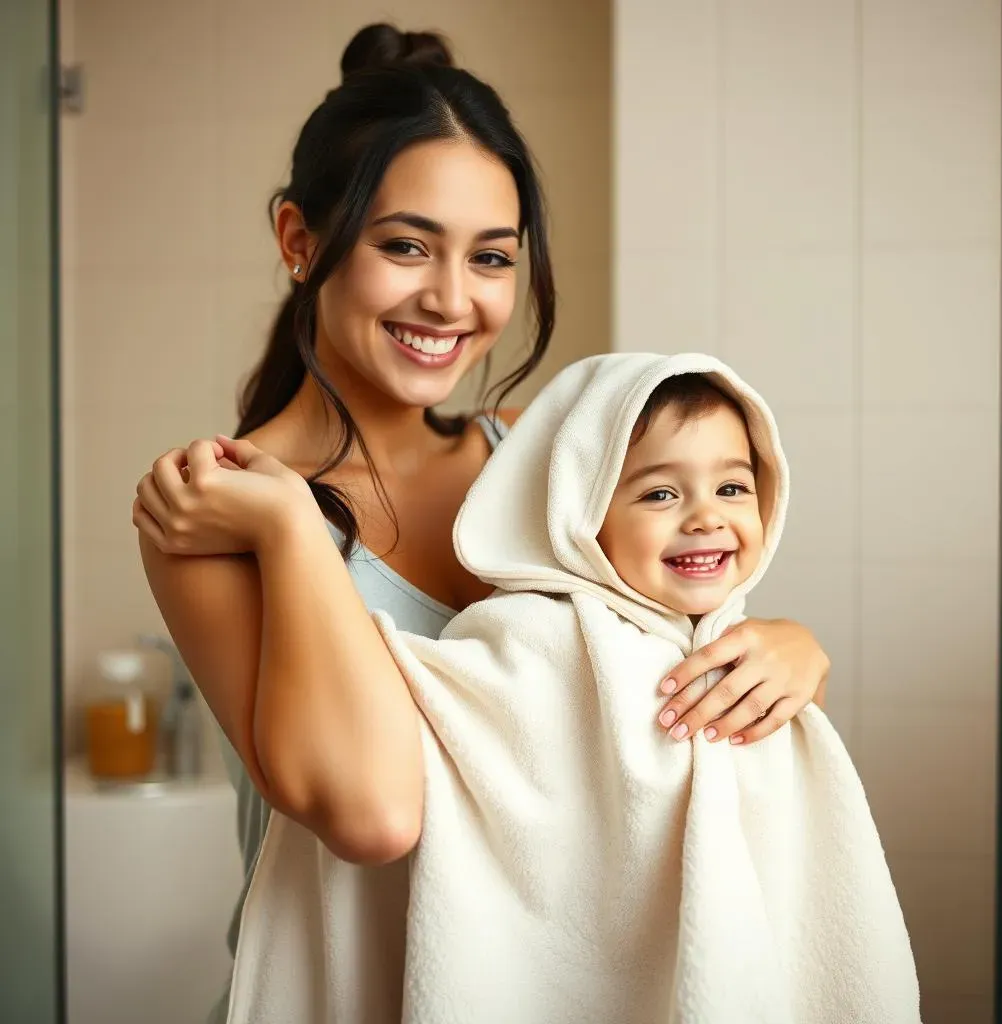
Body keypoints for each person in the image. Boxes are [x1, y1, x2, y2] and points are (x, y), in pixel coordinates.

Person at [131, 22, 830, 1024]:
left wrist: (790, 650)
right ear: (300, 240)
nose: (451, 299)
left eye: (491, 257)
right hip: (343, 992)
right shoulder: (215, 512)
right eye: (404, 245)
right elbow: (371, 814)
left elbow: (671, 633)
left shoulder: (529, 458)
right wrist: (292, 529)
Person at [220, 353, 920, 1024]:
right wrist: (291, 538)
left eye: (732, 487)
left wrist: (799, 648)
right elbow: (407, 713)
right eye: (661, 494)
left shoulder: (729, 643)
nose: (706, 515)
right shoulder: (529, 636)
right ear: (581, 520)